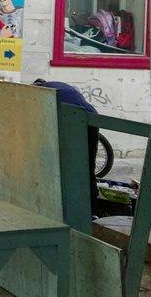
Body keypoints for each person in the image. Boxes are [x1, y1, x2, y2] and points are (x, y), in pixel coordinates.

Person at [32, 79, 100, 210]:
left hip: (76, 119)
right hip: (91, 117)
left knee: (70, 163)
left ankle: (80, 205)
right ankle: (92, 207)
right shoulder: (59, 86)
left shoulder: (44, 93)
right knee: (89, 163)